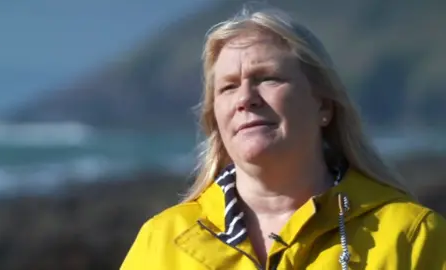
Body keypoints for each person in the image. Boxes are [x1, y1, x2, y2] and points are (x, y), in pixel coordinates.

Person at [120, 4, 446, 270]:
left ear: (324, 105)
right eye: (228, 86)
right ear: (215, 118)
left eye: (268, 78)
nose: (245, 98)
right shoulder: (162, 241)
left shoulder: (411, 235)